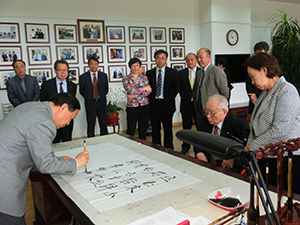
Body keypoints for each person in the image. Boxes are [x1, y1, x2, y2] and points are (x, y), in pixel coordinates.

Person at [0, 93, 90, 225]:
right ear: (63, 107)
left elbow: (35, 151)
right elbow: (46, 165)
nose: (67, 123)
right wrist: (76, 163)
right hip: (5, 184)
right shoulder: (44, 123)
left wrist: (55, 160)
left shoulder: (32, 107)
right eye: (71, 118)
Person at [245, 52, 300, 194]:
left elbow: (280, 129)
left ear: (264, 70)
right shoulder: (264, 93)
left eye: (253, 76)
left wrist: (252, 146)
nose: (252, 82)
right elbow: (254, 125)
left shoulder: (287, 90)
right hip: (265, 155)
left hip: (286, 159)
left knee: (284, 203)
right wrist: (251, 147)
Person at [194, 94, 250, 172]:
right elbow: (198, 140)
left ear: (224, 112)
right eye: (206, 112)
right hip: (207, 166)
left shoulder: (239, 125)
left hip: (229, 170)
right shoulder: (205, 121)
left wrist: (232, 159)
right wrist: (199, 152)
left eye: (212, 113)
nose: (208, 116)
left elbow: (245, 151)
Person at [146, 49, 179, 149]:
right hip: (154, 104)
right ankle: (156, 146)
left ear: (166, 60)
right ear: (155, 59)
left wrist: (168, 97)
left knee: (167, 127)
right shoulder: (149, 73)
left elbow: (176, 88)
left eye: (162, 58)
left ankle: (169, 147)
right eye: (158, 58)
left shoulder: (173, 72)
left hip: (167, 104)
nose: (160, 60)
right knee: (155, 128)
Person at [40, 59, 77, 143]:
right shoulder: (47, 85)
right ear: (55, 70)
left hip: (67, 120)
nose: (63, 72)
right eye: (60, 70)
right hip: (52, 120)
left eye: (65, 70)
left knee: (67, 141)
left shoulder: (72, 86)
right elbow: (43, 102)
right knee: (54, 142)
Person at [193, 48, 229, 129]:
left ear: (208, 57)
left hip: (212, 112)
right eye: (197, 58)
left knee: (210, 136)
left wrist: (220, 108)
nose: (199, 60)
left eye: (201, 57)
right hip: (199, 110)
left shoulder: (217, 71)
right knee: (201, 134)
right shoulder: (199, 73)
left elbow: (225, 92)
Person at [245, 41, 284, 114]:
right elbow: (248, 82)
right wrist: (252, 95)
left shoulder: (285, 92)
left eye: (262, 54)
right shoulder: (253, 69)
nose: (260, 58)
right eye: (257, 55)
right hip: (255, 101)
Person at [123, 58, 152, 140]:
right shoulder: (126, 78)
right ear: (130, 67)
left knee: (143, 129)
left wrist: (134, 93)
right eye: (133, 66)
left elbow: (148, 92)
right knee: (131, 130)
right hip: (132, 107)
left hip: (144, 106)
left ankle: (142, 147)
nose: (135, 68)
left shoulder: (144, 77)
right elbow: (130, 90)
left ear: (140, 66)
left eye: (137, 66)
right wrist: (143, 89)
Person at [79, 56, 108, 137]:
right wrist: (89, 97)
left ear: (98, 65)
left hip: (101, 102)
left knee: (103, 124)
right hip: (90, 103)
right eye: (91, 64)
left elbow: (106, 89)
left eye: (95, 64)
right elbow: (82, 91)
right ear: (88, 65)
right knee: (90, 125)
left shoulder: (104, 76)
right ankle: (91, 142)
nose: (94, 66)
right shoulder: (83, 77)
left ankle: (105, 141)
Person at [178, 53, 200, 154]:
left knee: (200, 127)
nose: (190, 62)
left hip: (198, 105)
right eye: (187, 60)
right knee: (186, 127)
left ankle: (199, 148)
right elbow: (178, 88)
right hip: (186, 104)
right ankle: (185, 146)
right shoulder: (181, 73)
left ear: (196, 60)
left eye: (192, 59)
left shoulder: (201, 72)